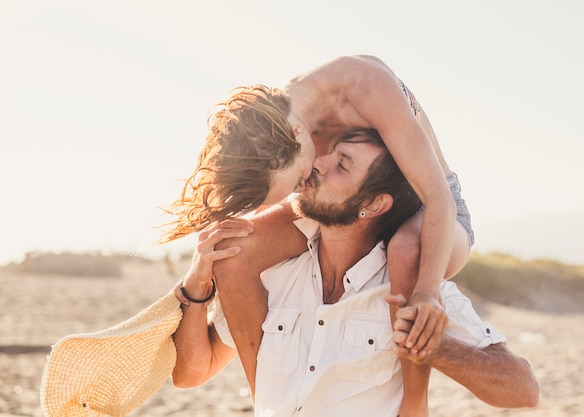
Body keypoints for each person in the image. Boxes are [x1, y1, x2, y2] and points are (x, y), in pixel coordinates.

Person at [170, 129, 539, 417]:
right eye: (329, 154)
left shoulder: (405, 291)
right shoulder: (272, 278)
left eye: (341, 165)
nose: (318, 164)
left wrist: (434, 348)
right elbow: (190, 373)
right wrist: (197, 285)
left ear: (373, 205)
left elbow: (523, 389)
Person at [160, 55, 472, 393]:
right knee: (232, 250)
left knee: (407, 248)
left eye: (298, 180)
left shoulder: (365, 87)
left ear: (298, 134)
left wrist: (427, 294)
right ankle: (269, 399)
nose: (305, 179)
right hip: (350, 203)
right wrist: (202, 269)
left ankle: (415, 403)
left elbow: (438, 197)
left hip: (430, 205)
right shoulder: (272, 126)